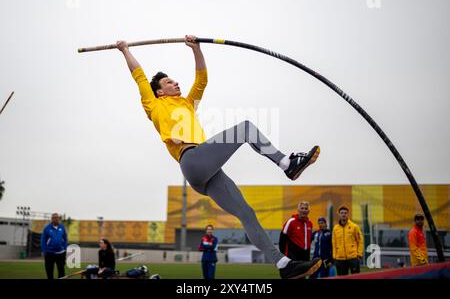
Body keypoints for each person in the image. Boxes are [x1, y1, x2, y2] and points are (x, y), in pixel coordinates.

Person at [116, 35, 322, 279]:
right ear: (159, 91)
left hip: (206, 174)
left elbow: (201, 79)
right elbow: (138, 74)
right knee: (245, 128)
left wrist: (196, 49)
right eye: (170, 82)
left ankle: (283, 264)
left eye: (175, 80)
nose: (176, 83)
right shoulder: (153, 105)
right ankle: (287, 163)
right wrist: (124, 50)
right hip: (192, 159)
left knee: (246, 213)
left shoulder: (188, 104)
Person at [332, 206, 363, 276]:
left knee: (355, 277)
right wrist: (334, 256)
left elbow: (360, 240)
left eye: (345, 213)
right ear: (339, 214)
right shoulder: (335, 228)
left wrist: (359, 254)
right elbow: (334, 243)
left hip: (353, 257)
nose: (343, 214)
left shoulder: (354, 227)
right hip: (340, 258)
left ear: (348, 214)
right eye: (342, 213)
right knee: (341, 277)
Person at [41, 213, 68, 279]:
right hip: (50, 253)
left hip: (60, 253)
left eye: (57, 217)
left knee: (62, 273)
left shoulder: (62, 227)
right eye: (54, 217)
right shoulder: (47, 228)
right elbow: (43, 240)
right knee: (49, 272)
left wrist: (65, 248)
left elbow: (65, 238)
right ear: (52, 219)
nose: (56, 219)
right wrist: (44, 251)